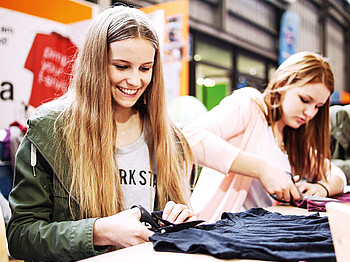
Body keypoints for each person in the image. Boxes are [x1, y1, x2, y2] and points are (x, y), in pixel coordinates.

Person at [6, 5, 196, 261]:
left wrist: (178, 221)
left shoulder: (168, 137)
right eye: (121, 66)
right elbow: (20, 236)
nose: (134, 81)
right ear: (96, 63)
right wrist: (100, 232)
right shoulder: (50, 129)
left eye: (144, 69)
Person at [182, 51, 347, 222]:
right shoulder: (250, 105)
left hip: (260, 231)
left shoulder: (292, 138)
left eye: (318, 106)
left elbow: (337, 174)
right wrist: (262, 169)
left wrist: (322, 188)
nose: (310, 113)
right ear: (283, 83)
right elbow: (190, 138)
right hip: (219, 229)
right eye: (305, 100)